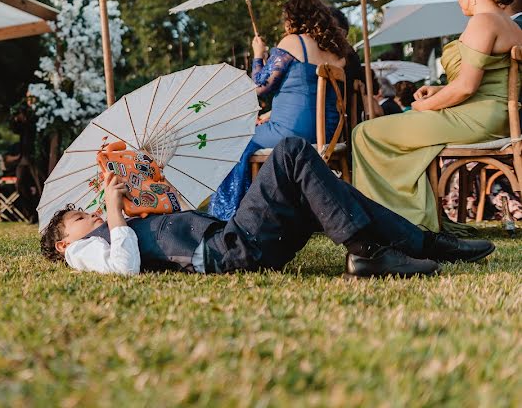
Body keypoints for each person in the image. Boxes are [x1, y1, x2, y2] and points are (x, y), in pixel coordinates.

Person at [41, 138, 494, 277]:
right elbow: (122, 268)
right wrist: (116, 213)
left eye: (92, 211)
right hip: (231, 249)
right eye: (82, 218)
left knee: (330, 190)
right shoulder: (86, 253)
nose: (95, 215)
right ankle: (366, 249)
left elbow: (176, 227)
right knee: (292, 151)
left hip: (236, 240)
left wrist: (150, 186)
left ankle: (423, 244)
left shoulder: (122, 222)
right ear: (64, 245)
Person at [352, 0, 522, 233]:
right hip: (491, 114)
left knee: (365, 133)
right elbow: (485, 80)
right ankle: (411, 213)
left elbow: (466, 87)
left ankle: (396, 220)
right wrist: (439, 91)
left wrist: (422, 106)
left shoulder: (483, 21)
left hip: (477, 117)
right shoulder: (509, 24)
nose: (458, 0)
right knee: (389, 133)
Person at [208, 0, 350, 220]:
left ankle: (229, 214)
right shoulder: (337, 53)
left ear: (294, 18)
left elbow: (259, 87)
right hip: (327, 131)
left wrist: (258, 55)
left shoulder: (294, 42)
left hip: (293, 131)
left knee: (232, 138)